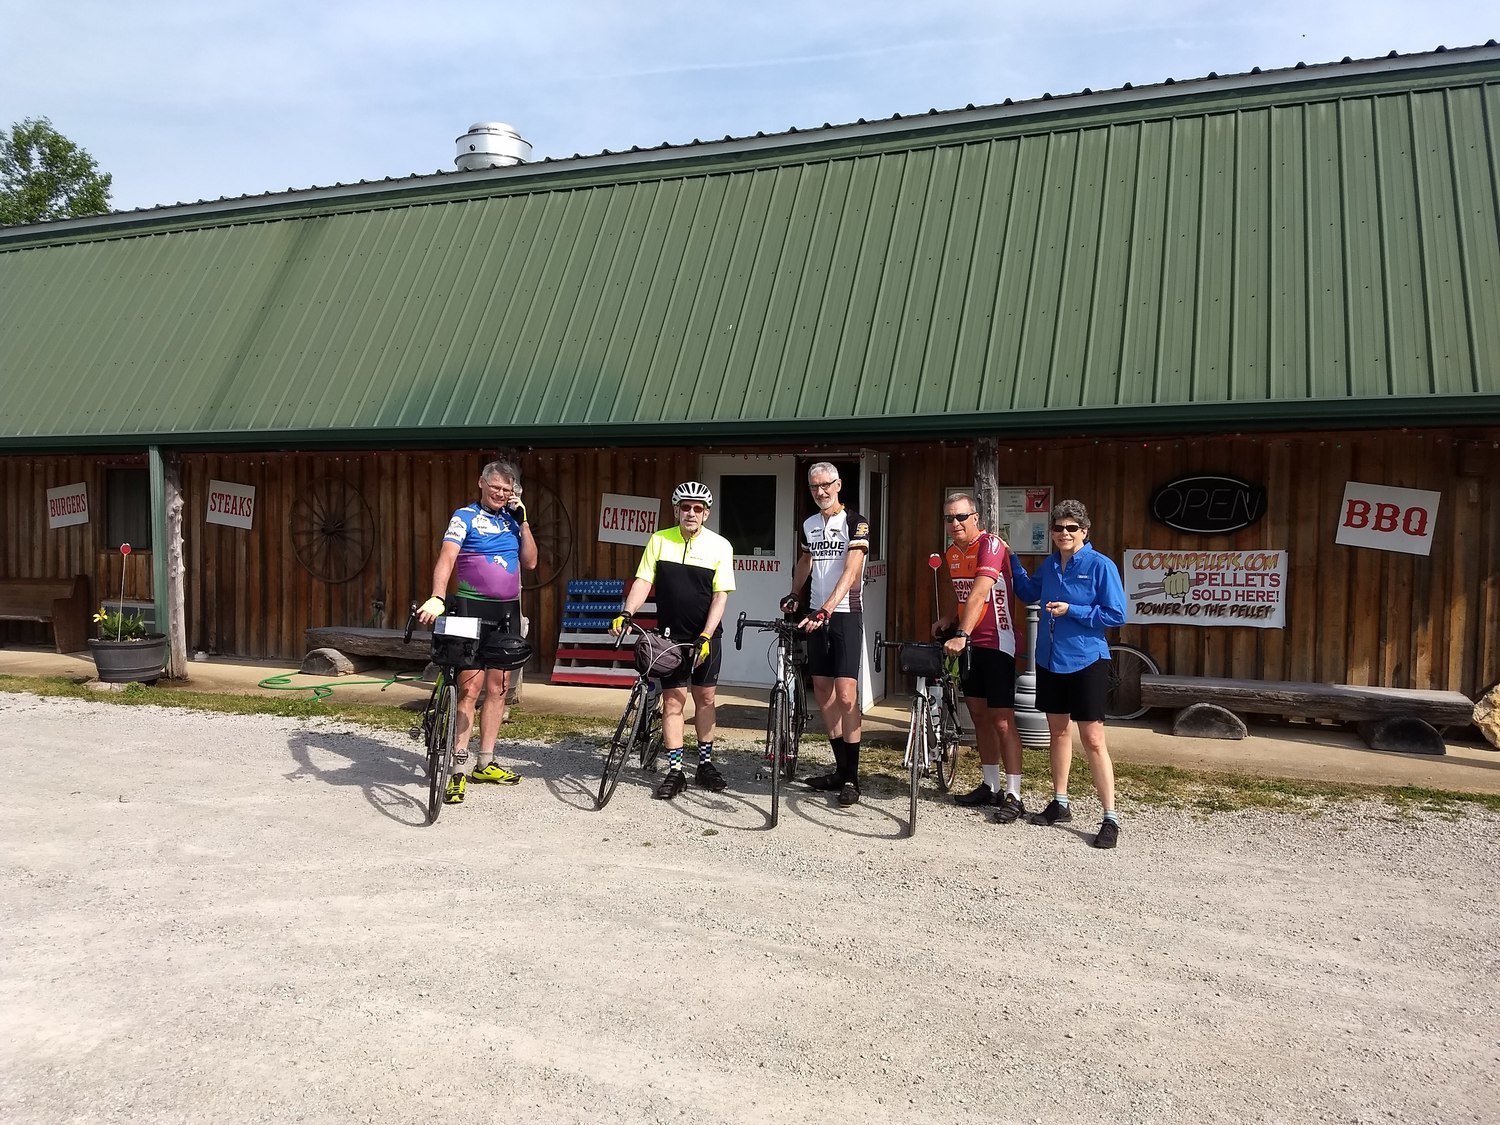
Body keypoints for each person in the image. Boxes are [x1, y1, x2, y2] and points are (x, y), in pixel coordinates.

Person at [417, 459, 537, 805]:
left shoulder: (513, 521)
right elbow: (447, 557)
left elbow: (531, 562)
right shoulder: (464, 517)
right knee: (470, 689)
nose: (500, 493)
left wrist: (524, 522)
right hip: (471, 609)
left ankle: (485, 762)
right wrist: (438, 596)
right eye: (495, 487)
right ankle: (457, 768)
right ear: (481, 484)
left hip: (506, 613)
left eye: (507, 489)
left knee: (499, 688)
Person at [1009, 500, 1127, 849]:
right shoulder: (1049, 564)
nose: (1064, 533)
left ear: (1084, 531)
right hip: (1050, 660)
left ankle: (1110, 817)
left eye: (1071, 528)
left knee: (1093, 739)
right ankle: (1060, 802)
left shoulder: (1100, 565)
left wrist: (1071, 610)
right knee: (1058, 732)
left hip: (1087, 661)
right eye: (1058, 527)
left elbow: (1116, 614)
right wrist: (1010, 559)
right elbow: (1028, 592)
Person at [610, 481, 736, 800]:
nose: (691, 513)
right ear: (677, 510)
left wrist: (706, 634)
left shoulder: (721, 546)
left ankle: (705, 765)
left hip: (705, 637)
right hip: (670, 638)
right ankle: (676, 770)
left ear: (706, 513)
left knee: (705, 699)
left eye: (697, 508)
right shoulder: (659, 540)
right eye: (685, 507)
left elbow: (720, 596)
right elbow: (643, 581)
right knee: (674, 702)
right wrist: (626, 612)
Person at [934, 492, 1028, 823]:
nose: (955, 523)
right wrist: (949, 618)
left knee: (1001, 718)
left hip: (997, 640)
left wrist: (961, 633)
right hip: (969, 641)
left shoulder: (991, 545)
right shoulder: (951, 552)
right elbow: (960, 595)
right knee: (977, 713)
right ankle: (991, 785)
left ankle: (1014, 794)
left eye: (961, 517)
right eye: (949, 518)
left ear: (976, 518)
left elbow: (979, 592)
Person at [785, 462, 870, 807]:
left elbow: (851, 571)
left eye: (826, 485)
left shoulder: (856, 522)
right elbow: (806, 561)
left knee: (846, 695)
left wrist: (827, 609)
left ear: (838, 485)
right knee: (822, 690)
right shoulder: (809, 524)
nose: (820, 492)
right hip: (816, 614)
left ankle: (853, 777)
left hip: (845, 614)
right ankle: (840, 770)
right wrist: (795, 593)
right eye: (814, 487)